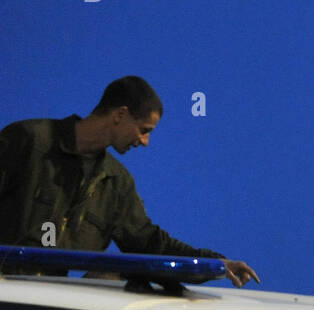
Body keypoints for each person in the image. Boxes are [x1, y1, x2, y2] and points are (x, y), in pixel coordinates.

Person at [0, 76, 258, 287]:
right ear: (120, 114)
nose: (145, 142)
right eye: (144, 130)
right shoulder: (29, 141)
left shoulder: (116, 183)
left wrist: (213, 263)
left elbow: (150, 244)